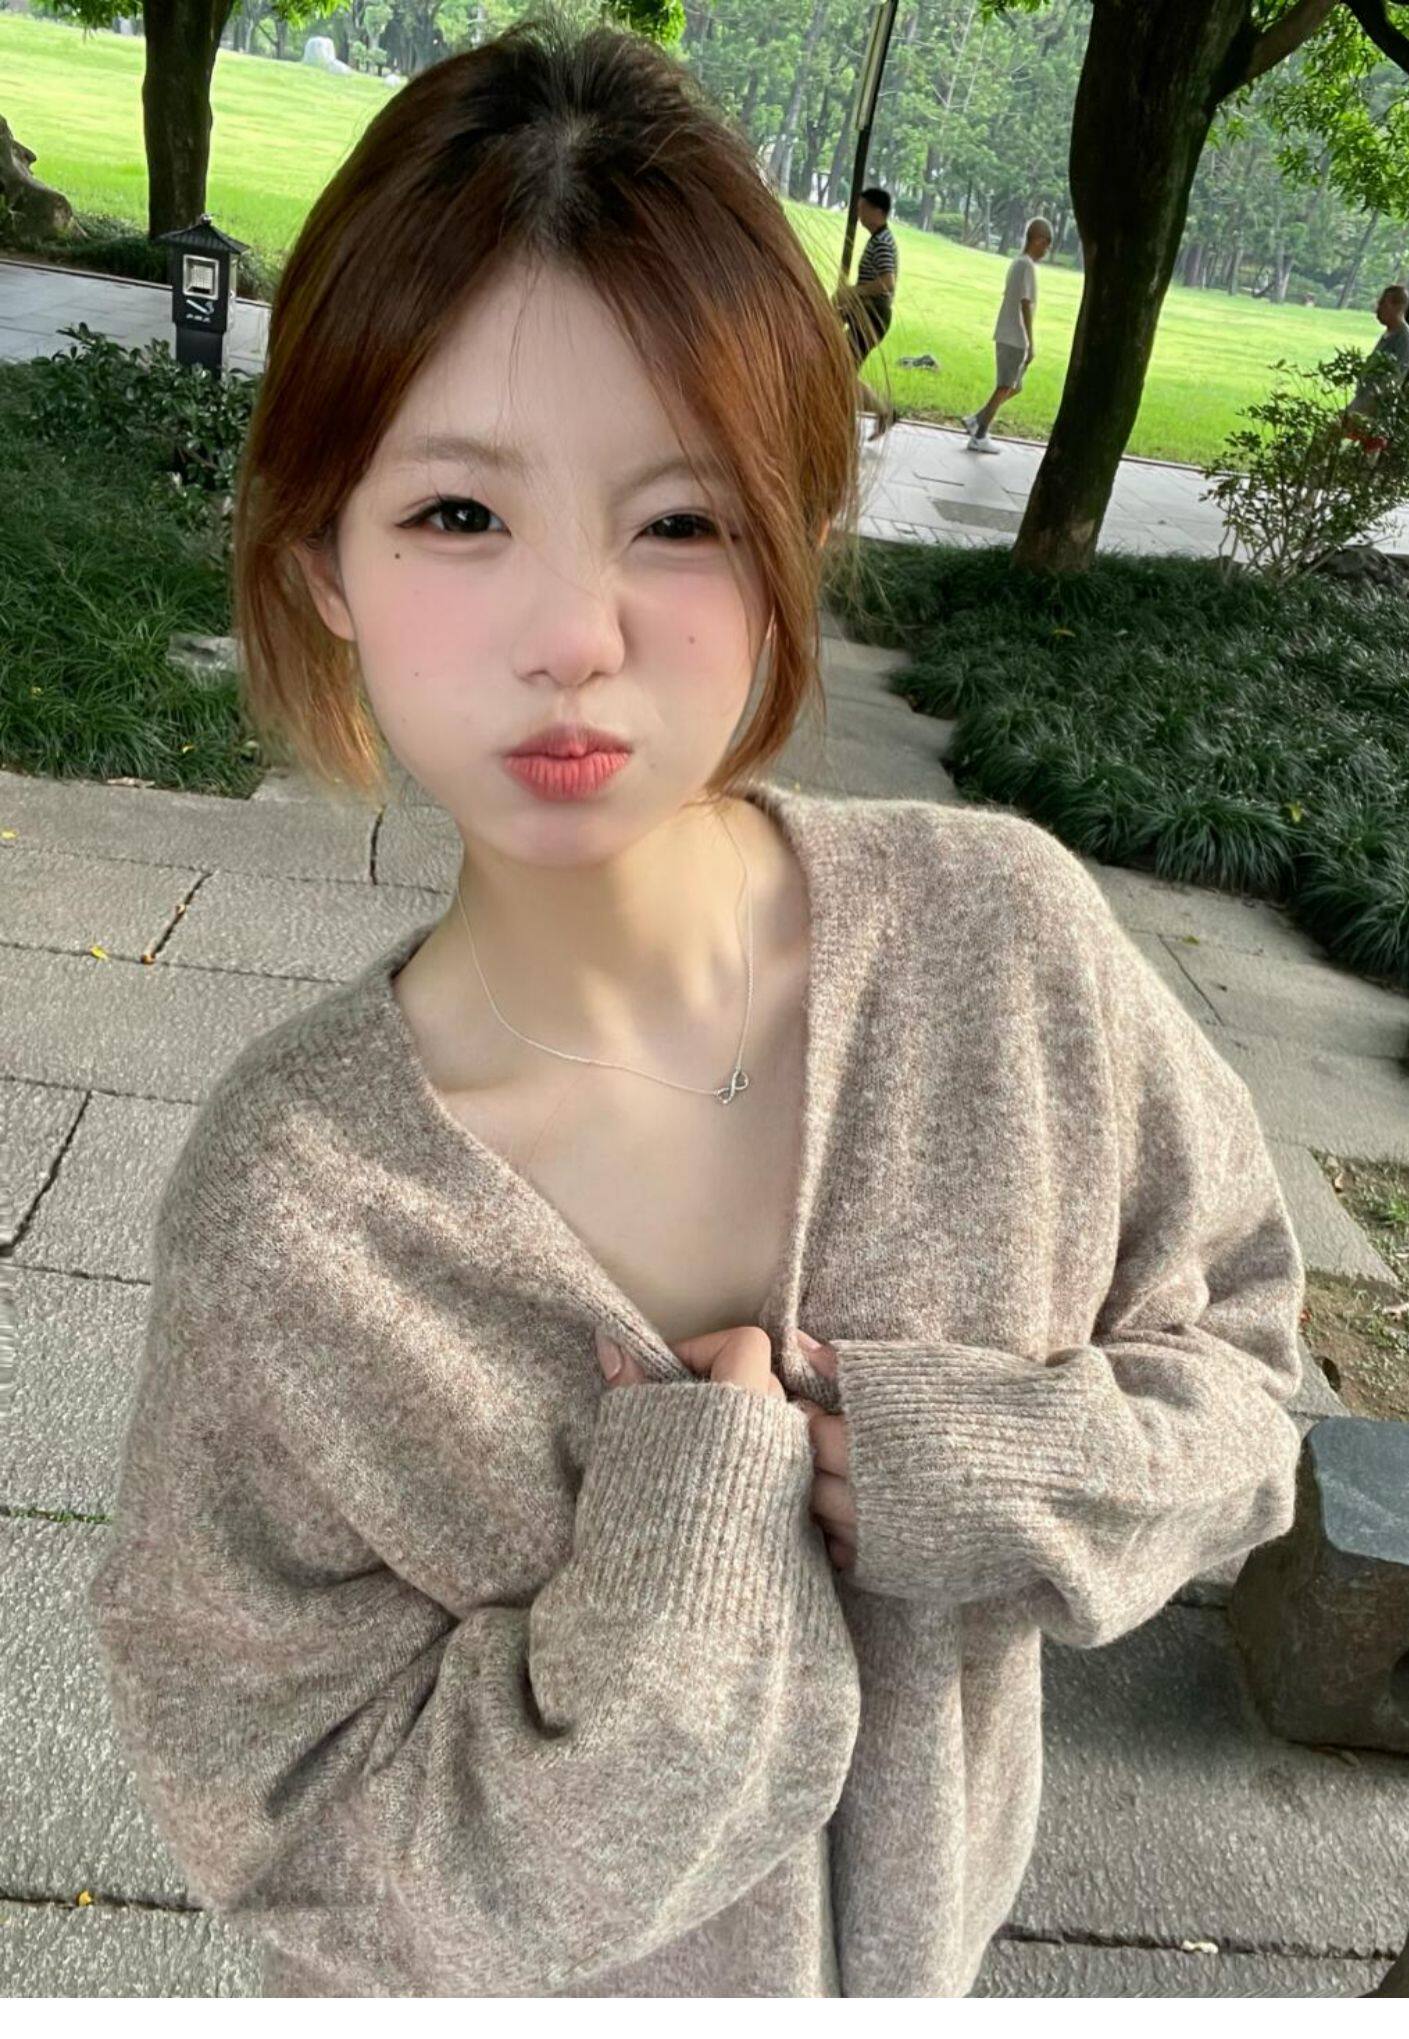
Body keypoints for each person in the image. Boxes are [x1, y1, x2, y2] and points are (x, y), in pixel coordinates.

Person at [84, 13, 1306, 2002]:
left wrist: (973, 1464)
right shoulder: (298, 1217)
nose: (575, 636)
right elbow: (300, 1832)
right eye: (459, 514)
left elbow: (1245, 1381)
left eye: (680, 518)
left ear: (795, 531)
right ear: (323, 558)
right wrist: (682, 1573)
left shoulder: (1005, 955)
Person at [962, 215, 1052, 453]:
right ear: (1038, 240)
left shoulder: (1018, 263)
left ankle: (976, 420)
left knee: (1014, 386)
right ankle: (979, 435)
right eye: (1047, 244)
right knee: (1005, 386)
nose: (1047, 251)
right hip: (1015, 337)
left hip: (1008, 334)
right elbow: (1025, 304)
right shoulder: (1026, 266)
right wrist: (1030, 342)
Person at [835, 185, 899, 439]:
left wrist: (853, 292)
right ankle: (881, 411)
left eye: (863, 209)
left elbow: (887, 282)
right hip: (868, 314)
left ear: (878, 211)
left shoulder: (882, 243)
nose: (859, 214)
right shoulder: (878, 239)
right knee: (842, 368)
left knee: (842, 371)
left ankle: (882, 411)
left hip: (873, 316)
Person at [1341, 283, 1409, 457]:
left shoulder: (1405, 338)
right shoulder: (1387, 335)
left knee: (1362, 454)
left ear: (1398, 307)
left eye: (1383, 303)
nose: (1378, 308)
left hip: (1376, 410)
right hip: (1362, 402)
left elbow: (1393, 377)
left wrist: (1366, 405)